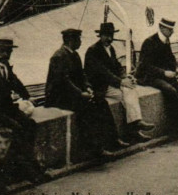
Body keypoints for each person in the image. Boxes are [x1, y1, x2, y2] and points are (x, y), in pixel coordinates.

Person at [45, 29, 124, 157]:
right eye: (78, 39)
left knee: (101, 101)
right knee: (86, 108)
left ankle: (113, 139)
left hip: (72, 93)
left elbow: (82, 75)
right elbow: (64, 82)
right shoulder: (58, 57)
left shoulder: (75, 55)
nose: (80, 42)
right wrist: (80, 94)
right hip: (59, 97)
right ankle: (95, 149)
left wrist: (88, 87)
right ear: (70, 40)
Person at [0, 39, 42, 182]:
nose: (5, 54)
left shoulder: (6, 65)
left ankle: (27, 166)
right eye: (2, 51)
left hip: (8, 108)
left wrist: (27, 96)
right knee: (17, 130)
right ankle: (25, 170)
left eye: (8, 51)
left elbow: (15, 82)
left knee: (30, 125)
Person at [84, 23, 154, 143]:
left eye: (111, 35)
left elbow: (117, 67)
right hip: (99, 86)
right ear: (100, 36)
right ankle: (135, 128)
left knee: (130, 91)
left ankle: (136, 125)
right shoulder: (93, 51)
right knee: (128, 95)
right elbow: (103, 72)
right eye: (106, 35)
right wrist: (121, 81)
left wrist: (126, 76)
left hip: (111, 84)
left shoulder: (111, 49)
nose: (109, 38)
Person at [135, 18, 178, 138]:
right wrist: (164, 73)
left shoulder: (166, 40)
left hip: (163, 75)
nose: (172, 32)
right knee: (170, 91)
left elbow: (170, 58)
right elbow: (145, 66)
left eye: (172, 29)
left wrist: (176, 68)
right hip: (149, 76)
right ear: (162, 28)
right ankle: (176, 127)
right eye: (169, 29)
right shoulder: (149, 42)